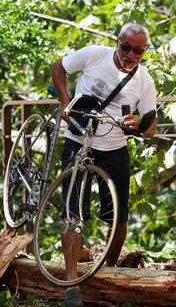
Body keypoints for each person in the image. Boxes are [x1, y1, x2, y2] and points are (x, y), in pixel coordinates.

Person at [50, 23, 157, 307]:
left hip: (114, 150)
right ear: (117, 42)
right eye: (125, 47)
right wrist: (64, 101)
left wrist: (138, 125)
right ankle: (72, 284)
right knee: (73, 214)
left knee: (118, 217)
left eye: (138, 50)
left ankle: (108, 271)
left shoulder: (144, 80)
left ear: (144, 51)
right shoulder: (94, 55)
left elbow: (150, 127)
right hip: (78, 141)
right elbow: (58, 66)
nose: (130, 54)